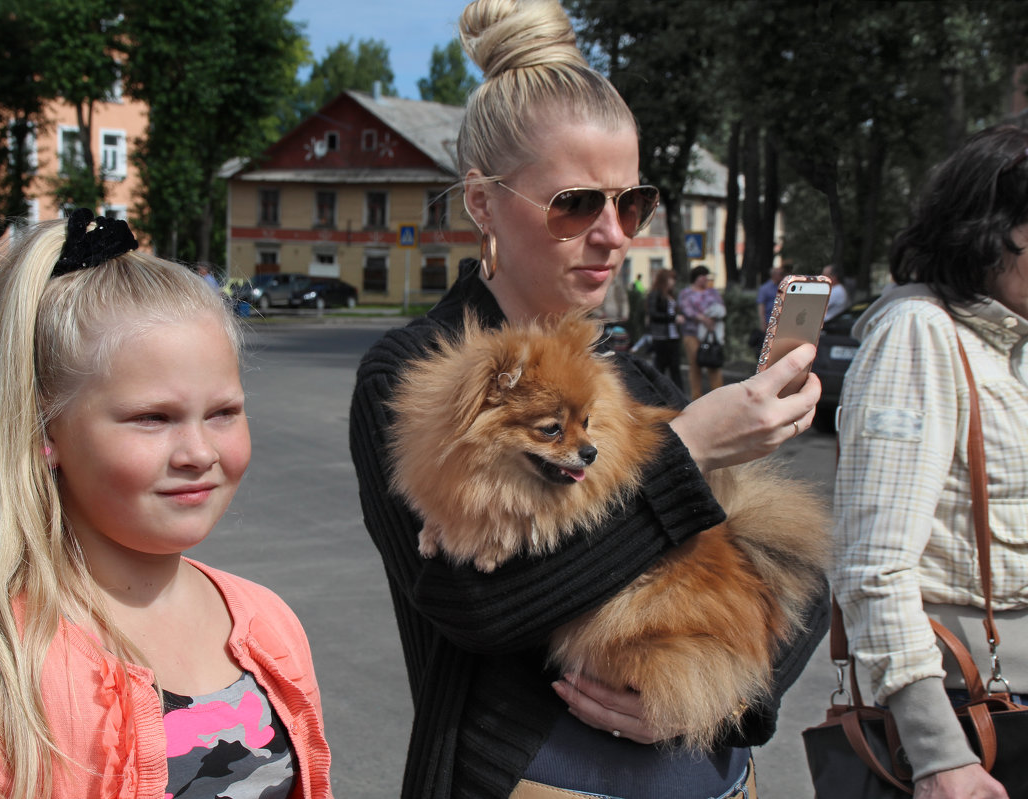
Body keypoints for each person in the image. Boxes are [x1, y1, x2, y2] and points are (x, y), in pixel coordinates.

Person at [349, 2, 828, 797]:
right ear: (482, 203)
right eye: (576, 203)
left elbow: (798, 579)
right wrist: (688, 454)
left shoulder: (634, 377)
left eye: (631, 202)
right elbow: (473, 608)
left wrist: (724, 699)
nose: (614, 234)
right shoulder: (410, 376)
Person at [0, 210, 333, 799]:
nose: (199, 451)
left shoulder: (268, 623)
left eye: (223, 412)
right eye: (153, 418)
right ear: (44, 429)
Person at [833, 125, 1028, 799]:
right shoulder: (919, 332)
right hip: (967, 716)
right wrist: (938, 752)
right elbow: (873, 566)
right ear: (994, 230)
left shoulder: (1013, 339)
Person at [678, 265, 725, 399]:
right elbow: (686, 309)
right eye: (703, 276)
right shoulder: (686, 293)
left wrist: (712, 319)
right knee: (695, 364)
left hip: (710, 334)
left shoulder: (713, 292)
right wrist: (703, 319)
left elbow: (720, 307)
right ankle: (696, 397)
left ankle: (719, 396)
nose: (705, 279)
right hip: (692, 333)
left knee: (714, 364)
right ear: (696, 277)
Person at [646, 268, 684, 390]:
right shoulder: (656, 294)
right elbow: (653, 314)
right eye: (671, 279)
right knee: (660, 368)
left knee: (675, 368)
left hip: (673, 336)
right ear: (664, 280)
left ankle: (680, 395)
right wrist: (673, 318)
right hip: (661, 336)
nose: (673, 282)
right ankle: (660, 393)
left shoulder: (671, 295)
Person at [756, 265, 785, 330]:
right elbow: (761, 306)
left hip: (782, 321)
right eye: (781, 274)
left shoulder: (783, 287)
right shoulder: (765, 288)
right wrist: (763, 323)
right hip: (769, 321)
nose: (783, 276)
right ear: (774, 275)